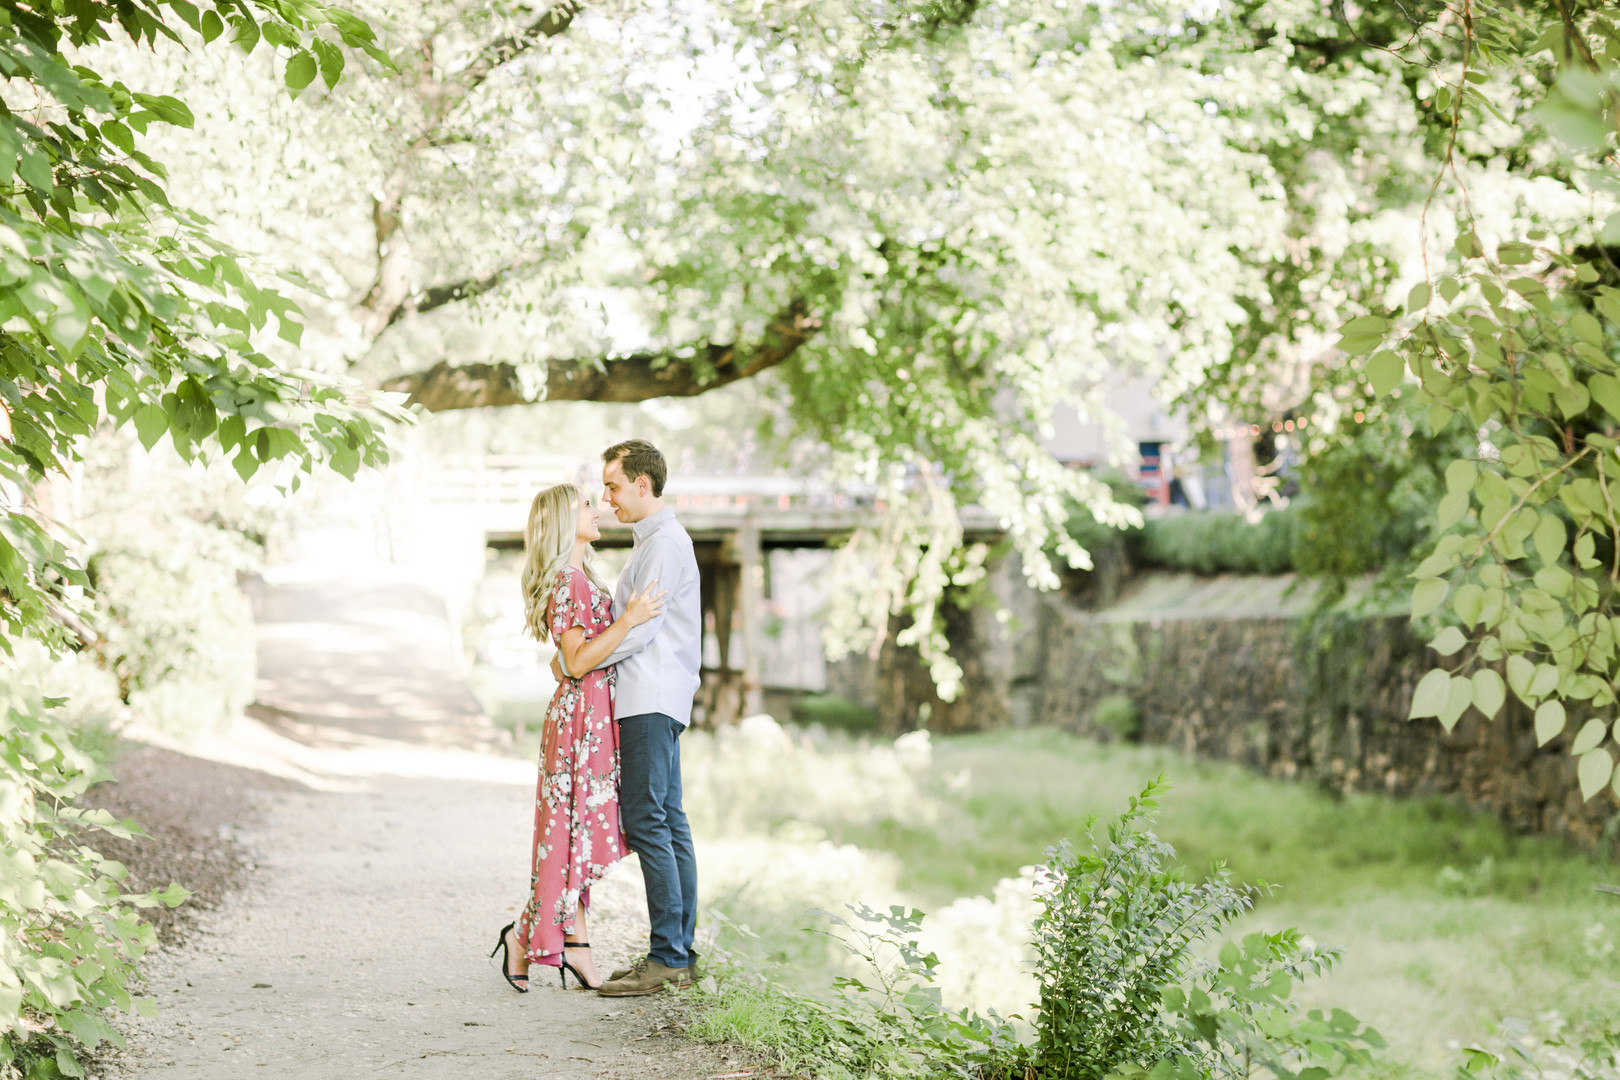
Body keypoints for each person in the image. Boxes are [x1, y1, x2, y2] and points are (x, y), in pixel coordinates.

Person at [491, 483, 664, 992]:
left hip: (587, 719)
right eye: (587, 504)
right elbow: (576, 660)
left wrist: (580, 664)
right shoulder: (570, 581)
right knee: (572, 836)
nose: (599, 508)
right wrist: (628, 619)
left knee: (577, 837)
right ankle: (551, 941)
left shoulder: (581, 577)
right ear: (567, 520)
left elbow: (561, 662)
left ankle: (545, 940)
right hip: (581, 727)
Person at [557, 439, 702, 997]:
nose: (607, 497)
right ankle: (677, 954)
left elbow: (639, 631)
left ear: (643, 484)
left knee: (648, 821)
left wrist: (581, 662)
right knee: (668, 820)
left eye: (613, 486)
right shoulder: (654, 543)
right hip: (657, 695)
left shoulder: (664, 544)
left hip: (649, 697)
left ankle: (668, 957)